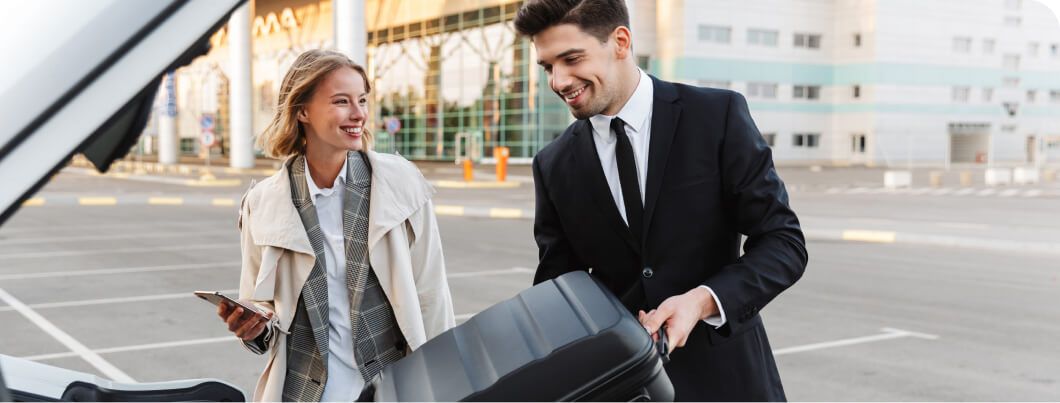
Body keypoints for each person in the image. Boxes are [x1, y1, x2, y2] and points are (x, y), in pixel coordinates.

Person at [515, 1, 808, 400]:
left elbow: (783, 243)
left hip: (730, 382)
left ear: (620, 42)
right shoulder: (552, 164)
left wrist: (702, 301)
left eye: (571, 58)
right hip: (625, 388)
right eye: (547, 67)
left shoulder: (716, 116)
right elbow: (559, 290)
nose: (559, 80)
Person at [216, 49, 455, 402]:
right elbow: (261, 312)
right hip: (303, 394)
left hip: (393, 389)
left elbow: (432, 296)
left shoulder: (400, 184)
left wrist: (446, 384)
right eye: (342, 101)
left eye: (362, 100)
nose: (359, 114)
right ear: (302, 111)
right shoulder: (263, 203)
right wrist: (250, 329)